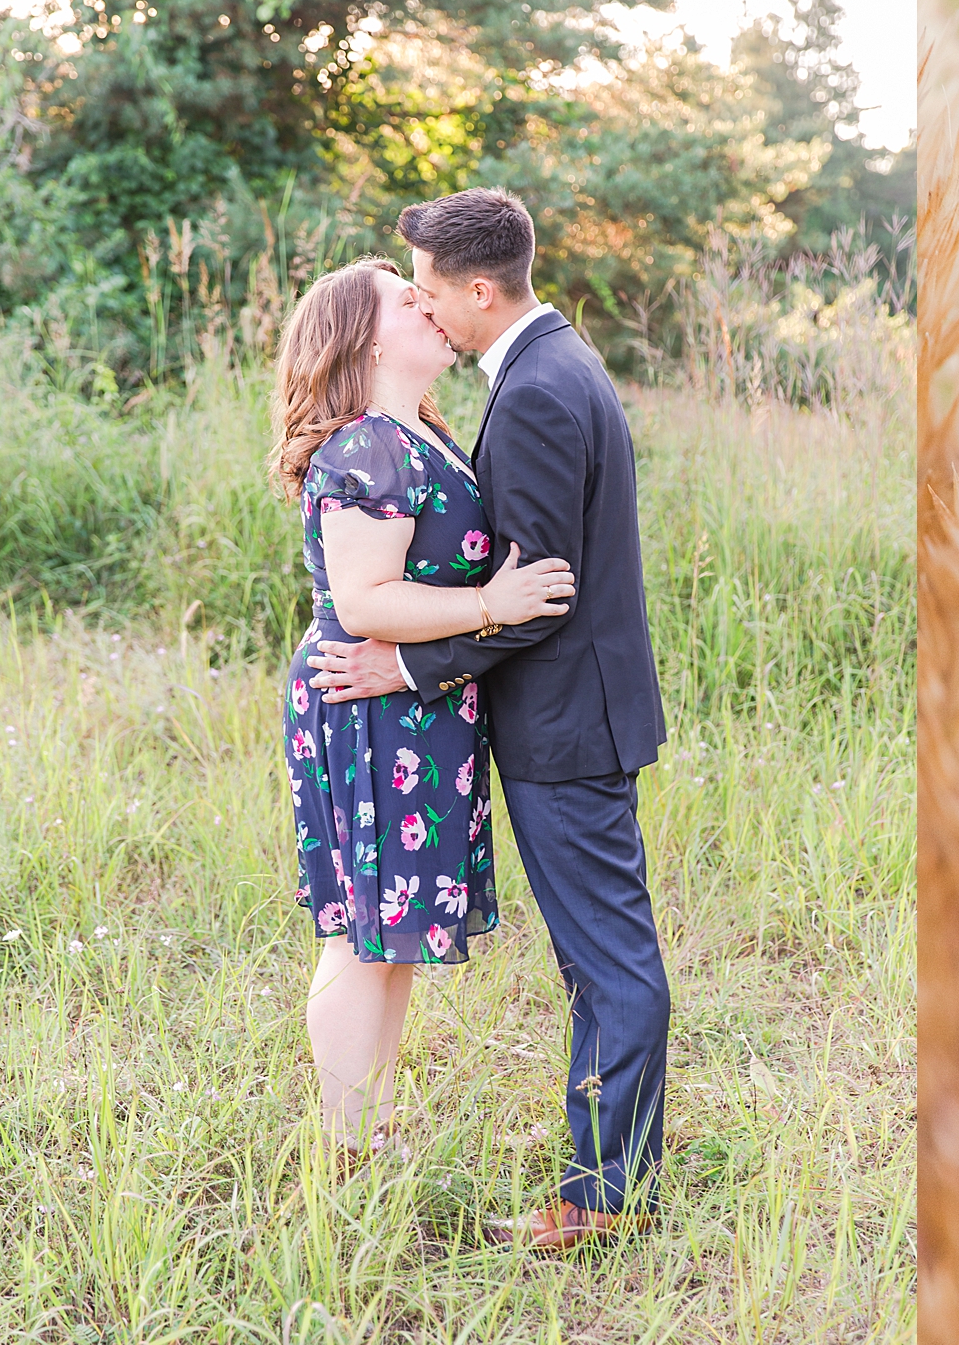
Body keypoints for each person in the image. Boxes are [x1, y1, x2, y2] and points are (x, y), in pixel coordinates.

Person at [306, 188, 671, 1248]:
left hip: (566, 722)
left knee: (607, 960)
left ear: (475, 288)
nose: (421, 307)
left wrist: (406, 665)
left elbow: (532, 594)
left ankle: (605, 1198)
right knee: (600, 957)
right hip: (568, 715)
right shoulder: (544, 368)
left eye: (424, 288)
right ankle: (617, 1168)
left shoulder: (537, 392)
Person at [268, 255, 576, 1161]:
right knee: (363, 932)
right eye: (409, 299)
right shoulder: (366, 444)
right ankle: (348, 1143)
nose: (430, 304)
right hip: (366, 698)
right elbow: (364, 601)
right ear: (365, 338)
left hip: (412, 702)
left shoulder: (421, 432)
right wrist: (493, 606)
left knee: (391, 929)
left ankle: (372, 1124)